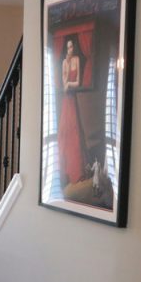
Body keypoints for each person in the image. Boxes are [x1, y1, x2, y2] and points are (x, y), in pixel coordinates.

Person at [57, 35, 86, 186]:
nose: (70, 50)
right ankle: (64, 170)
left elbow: (77, 81)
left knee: (73, 130)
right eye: (68, 47)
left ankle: (76, 170)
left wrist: (69, 84)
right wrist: (66, 77)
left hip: (72, 97)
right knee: (64, 131)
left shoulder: (77, 60)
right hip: (65, 98)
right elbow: (63, 83)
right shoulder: (64, 62)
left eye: (72, 47)